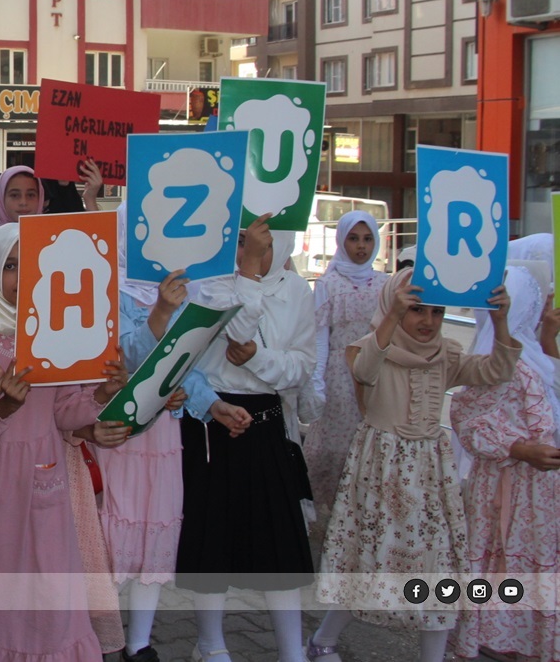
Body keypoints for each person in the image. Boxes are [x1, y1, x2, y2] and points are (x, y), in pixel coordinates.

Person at [311, 269, 518, 662]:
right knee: (368, 563)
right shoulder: (369, 348)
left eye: (437, 311)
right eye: (416, 310)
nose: (428, 321)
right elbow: (366, 371)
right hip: (382, 472)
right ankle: (323, 639)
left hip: (430, 476)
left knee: (438, 567)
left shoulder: (447, 355)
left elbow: (496, 372)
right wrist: (390, 317)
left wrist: (501, 320)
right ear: (394, 306)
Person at [0, 223, 112, 661]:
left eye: (33, 265)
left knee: (48, 589)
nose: (21, 277)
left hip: (43, 479)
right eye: (11, 265)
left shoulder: (57, 330)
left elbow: (65, 410)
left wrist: (105, 394)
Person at [99, 210, 252, 662]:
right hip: (118, 431)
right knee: (114, 533)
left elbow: (188, 364)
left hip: (163, 435)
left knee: (153, 532)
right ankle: (102, 636)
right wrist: (161, 311)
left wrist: (215, 407)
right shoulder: (108, 288)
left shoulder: (186, 292)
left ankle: (139, 644)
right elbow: (130, 355)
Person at [177, 216, 316, 662]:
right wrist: (250, 272)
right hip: (213, 419)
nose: (250, 251)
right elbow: (233, 332)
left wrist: (260, 359)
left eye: (262, 243)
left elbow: (300, 365)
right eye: (240, 242)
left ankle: (292, 650)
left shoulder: (297, 292)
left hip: (267, 419)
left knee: (280, 544)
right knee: (211, 536)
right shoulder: (211, 284)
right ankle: (210, 642)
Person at [452, 265, 560, 662]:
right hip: (505, 489)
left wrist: (549, 340)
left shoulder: (535, 356)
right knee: (499, 560)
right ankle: (498, 642)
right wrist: (517, 447)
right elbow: (467, 419)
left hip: (541, 494)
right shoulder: (493, 360)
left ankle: (522, 642)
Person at [300, 211, 388, 523]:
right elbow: (320, 338)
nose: (361, 246)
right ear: (341, 241)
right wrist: (318, 385)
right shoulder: (329, 284)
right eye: (353, 238)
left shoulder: (385, 284)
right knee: (335, 449)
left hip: (377, 377)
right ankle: (329, 522)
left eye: (367, 239)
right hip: (340, 378)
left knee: (371, 447)